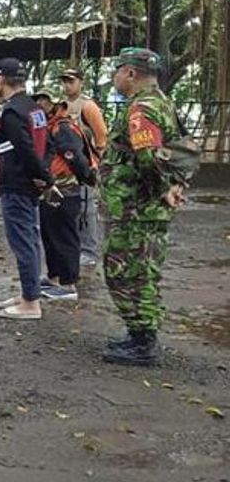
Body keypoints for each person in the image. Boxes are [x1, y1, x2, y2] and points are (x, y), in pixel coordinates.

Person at [101, 48, 196, 365]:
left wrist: (164, 188)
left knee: (124, 272)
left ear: (130, 73)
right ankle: (141, 335)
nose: (115, 77)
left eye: (117, 70)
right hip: (146, 209)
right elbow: (182, 151)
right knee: (144, 271)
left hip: (135, 209)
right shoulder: (163, 103)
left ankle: (143, 342)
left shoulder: (142, 108)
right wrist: (173, 186)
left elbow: (148, 156)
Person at [0, 58, 54, 320]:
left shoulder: (13, 111)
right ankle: (30, 292)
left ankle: (30, 303)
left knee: (23, 241)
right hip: (29, 182)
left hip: (16, 183)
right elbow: (48, 145)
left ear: (0, 79)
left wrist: (41, 175)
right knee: (31, 238)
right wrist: (44, 174)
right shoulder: (35, 109)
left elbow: (24, 148)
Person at [35, 91, 97, 303]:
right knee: (50, 234)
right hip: (51, 188)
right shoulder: (48, 126)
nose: (41, 104)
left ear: (55, 103)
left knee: (64, 236)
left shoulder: (63, 127)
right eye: (38, 100)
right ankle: (54, 277)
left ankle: (68, 283)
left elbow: (75, 158)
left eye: (45, 100)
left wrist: (85, 177)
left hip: (66, 189)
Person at [60, 67, 109, 267]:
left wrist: (97, 161)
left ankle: (89, 250)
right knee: (71, 208)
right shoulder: (61, 106)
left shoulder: (87, 106)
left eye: (71, 81)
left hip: (87, 165)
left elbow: (101, 135)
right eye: (64, 81)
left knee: (87, 209)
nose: (67, 85)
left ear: (81, 82)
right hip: (68, 167)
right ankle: (75, 247)